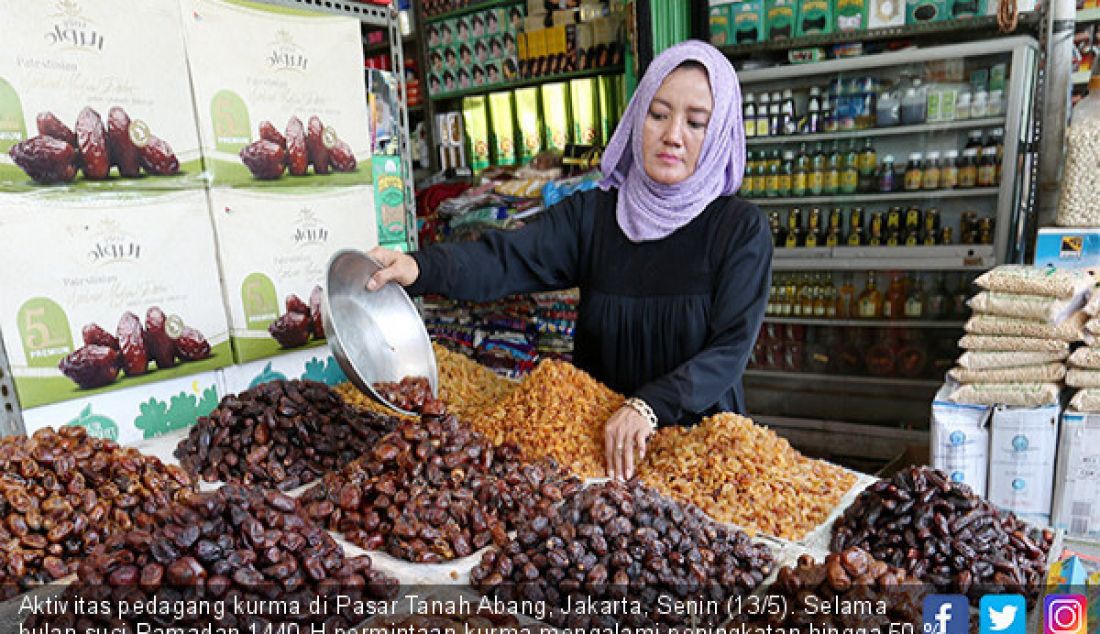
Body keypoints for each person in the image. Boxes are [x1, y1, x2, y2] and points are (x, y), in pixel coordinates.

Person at [366, 41, 770, 480]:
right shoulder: (594, 216)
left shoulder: (739, 230)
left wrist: (649, 405)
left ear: (720, 133)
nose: (673, 134)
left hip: (702, 459)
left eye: (696, 123)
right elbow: (504, 259)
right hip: (602, 455)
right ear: (637, 118)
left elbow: (729, 351)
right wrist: (419, 268)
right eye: (658, 114)